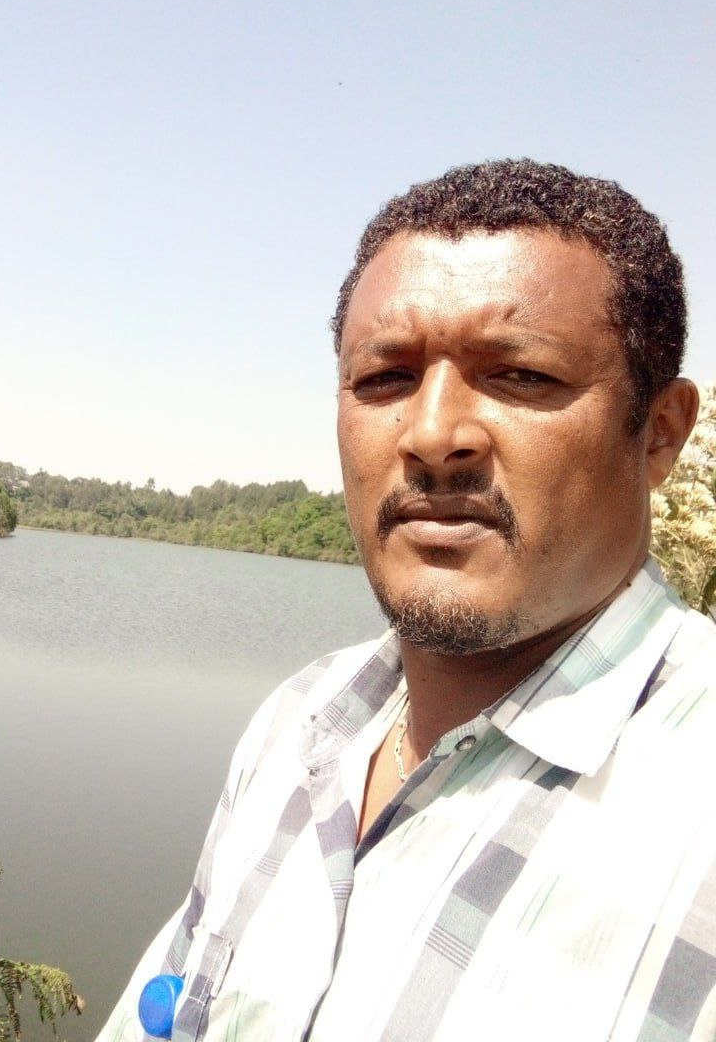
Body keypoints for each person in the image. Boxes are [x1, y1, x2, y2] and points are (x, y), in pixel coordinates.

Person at [97, 158, 713, 1042]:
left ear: (659, 434)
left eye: (520, 375)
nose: (431, 435)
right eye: (385, 377)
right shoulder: (302, 723)